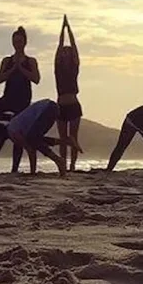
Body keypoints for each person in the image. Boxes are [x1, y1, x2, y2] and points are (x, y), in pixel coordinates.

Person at [0, 26, 40, 172]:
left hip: (23, 102)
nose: (17, 44)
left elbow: (36, 79)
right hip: (7, 99)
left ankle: (14, 169)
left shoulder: (31, 61)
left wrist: (21, 68)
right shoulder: (6, 60)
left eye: (20, 41)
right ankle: (7, 118)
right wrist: (12, 68)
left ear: (25, 42)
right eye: (15, 41)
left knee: (18, 135)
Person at [0, 99, 69, 176]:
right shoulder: (13, 128)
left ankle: (58, 160)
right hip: (50, 107)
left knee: (33, 139)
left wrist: (32, 172)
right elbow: (32, 148)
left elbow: (31, 150)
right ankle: (67, 142)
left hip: (48, 108)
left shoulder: (12, 131)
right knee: (35, 139)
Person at [55, 15, 84, 171]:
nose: (65, 54)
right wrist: (62, 29)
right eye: (64, 53)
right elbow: (59, 47)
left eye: (68, 52)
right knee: (63, 139)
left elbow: (74, 48)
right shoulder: (58, 69)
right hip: (60, 105)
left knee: (73, 138)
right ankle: (63, 165)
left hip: (73, 104)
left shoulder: (74, 67)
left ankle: (72, 165)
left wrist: (69, 30)